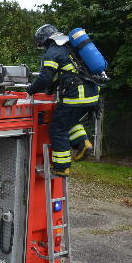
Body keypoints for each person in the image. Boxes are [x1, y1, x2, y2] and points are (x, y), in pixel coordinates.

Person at [27, 24, 99, 177]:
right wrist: (52, 88)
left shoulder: (52, 52)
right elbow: (70, 73)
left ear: (45, 41)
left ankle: (62, 167)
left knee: (57, 128)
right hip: (92, 93)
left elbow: (44, 78)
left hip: (76, 96)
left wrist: (31, 90)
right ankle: (83, 144)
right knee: (69, 120)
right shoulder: (71, 46)